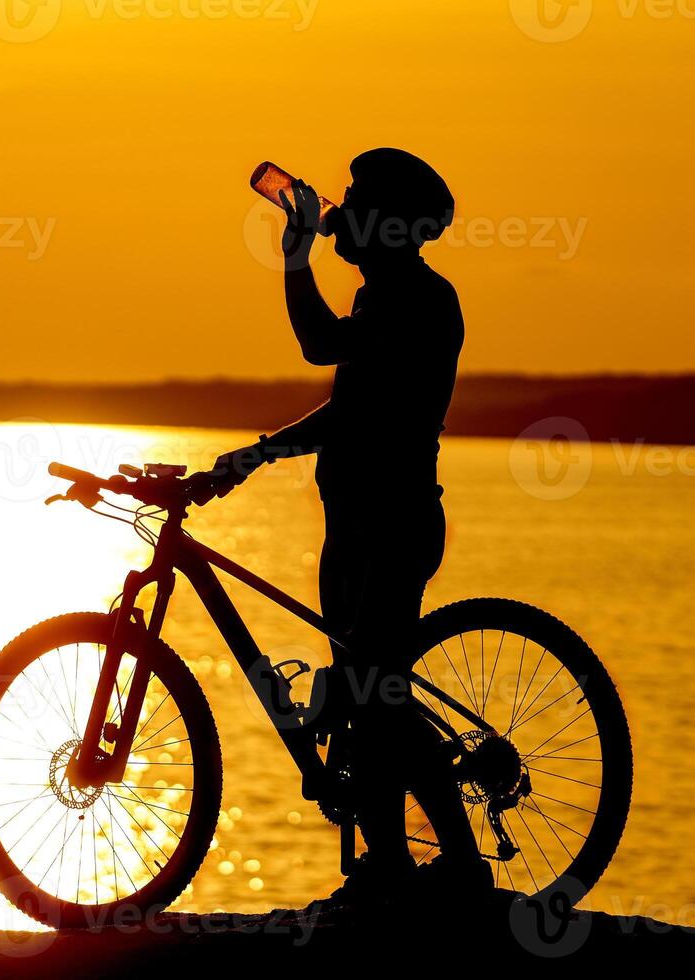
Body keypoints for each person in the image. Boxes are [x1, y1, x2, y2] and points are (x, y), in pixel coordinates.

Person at [197, 148, 491, 903]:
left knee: (377, 697)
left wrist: (296, 256)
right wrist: (262, 453)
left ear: (393, 226)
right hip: (352, 527)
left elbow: (321, 350)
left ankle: (459, 865)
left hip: (394, 525)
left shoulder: (421, 301)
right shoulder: (377, 299)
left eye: (357, 199)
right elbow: (347, 407)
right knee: (368, 705)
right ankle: (390, 869)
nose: (340, 209)